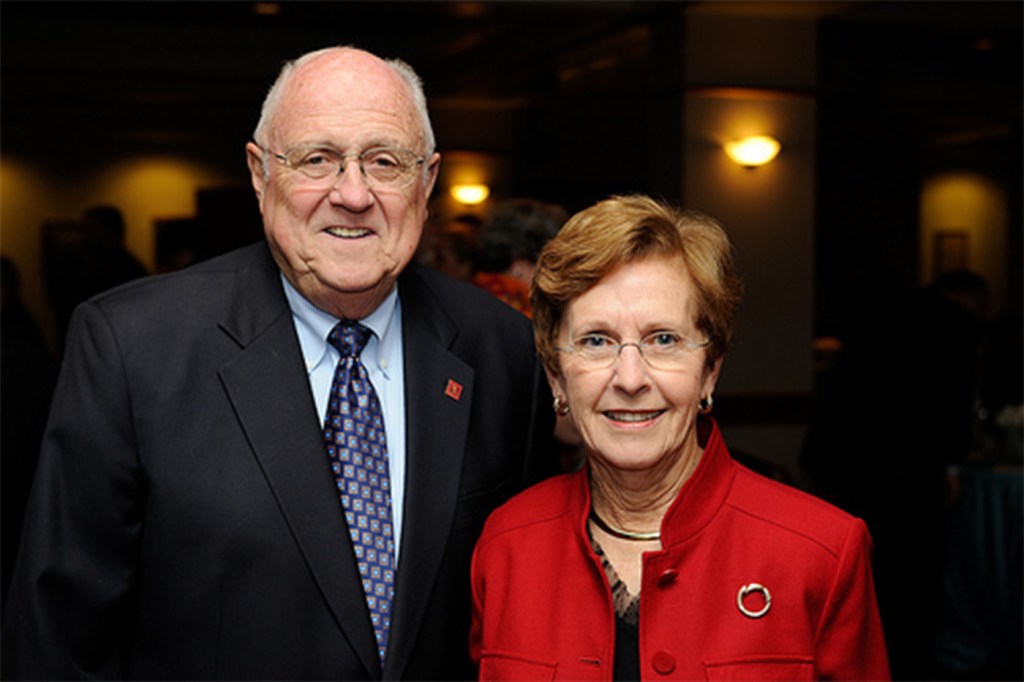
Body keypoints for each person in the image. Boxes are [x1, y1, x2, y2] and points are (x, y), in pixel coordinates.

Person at [2, 46, 555, 680]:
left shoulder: (502, 351)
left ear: (426, 183)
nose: (353, 194)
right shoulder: (133, 346)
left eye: (384, 162)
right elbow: (57, 642)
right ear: (261, 174)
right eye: (317, 159)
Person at [469, 195, 890, 680]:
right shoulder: (506, 546)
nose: (630, 378)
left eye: (663, 339)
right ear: (557, 377)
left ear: (710, 370)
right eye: (596, 340)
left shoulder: (821, 551)